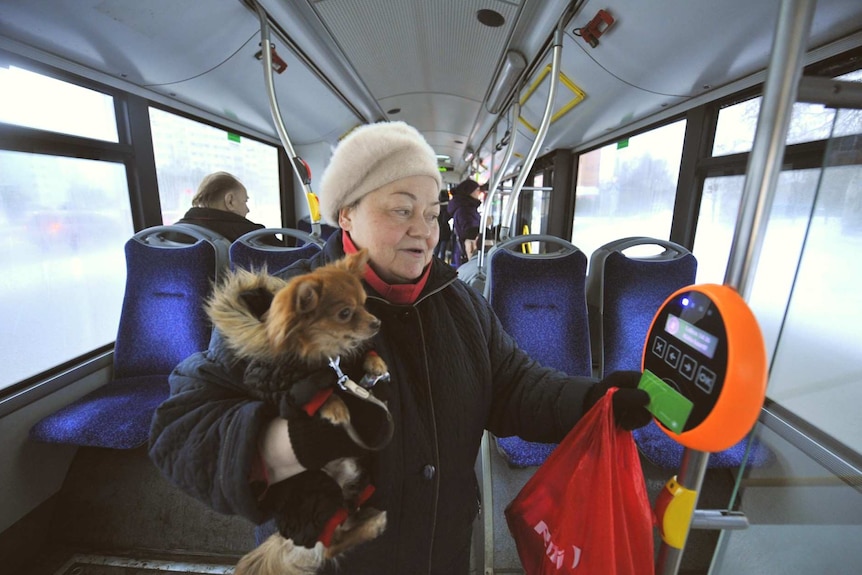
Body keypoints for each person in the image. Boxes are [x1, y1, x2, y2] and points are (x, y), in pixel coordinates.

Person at [148, 121, 651, 574]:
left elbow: (514, 384)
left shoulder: (460, 305)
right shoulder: (287, 307)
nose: (425, 231)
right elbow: (181, 428)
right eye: (401, 210)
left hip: (443, 554)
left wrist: (592, 402)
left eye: (432, 215)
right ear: (346, 214)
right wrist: (288, 445)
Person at [175, 171, 279, 244]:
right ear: (230, 201)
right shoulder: (254, 236)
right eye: (245, 201)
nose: (248, 210)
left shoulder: (169, 233)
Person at [447, 177, 483, 265]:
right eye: (477, 190)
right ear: (469, 191)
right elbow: (470, 232)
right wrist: (485, 226)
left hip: (464, 252)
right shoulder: (465, 210)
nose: (479, 193)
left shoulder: (465, 207)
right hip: (469, 252)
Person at [433, 189, 453, 263]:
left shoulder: (435, 206)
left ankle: (433, 265)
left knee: (436, 250)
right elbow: (446, 219)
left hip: (436, 230)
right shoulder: (448, 207)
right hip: (445, 231)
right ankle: (440, 266)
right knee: (443, 251)